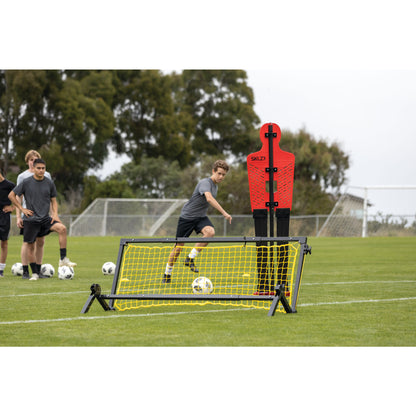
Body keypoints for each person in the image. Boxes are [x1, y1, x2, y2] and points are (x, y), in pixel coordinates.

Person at [163, 160, 232, 283]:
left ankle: (190, 259)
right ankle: (167, 274)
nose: (221, 177)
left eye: (224, 175)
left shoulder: (215, 186)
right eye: (219, 173)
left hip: (200, 217)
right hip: (187, 217)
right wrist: (224, 213)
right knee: (178, 248)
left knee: (210, 232)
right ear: (213, 171)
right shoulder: (205, 183)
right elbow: (209, 199)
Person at [8, 158, 77, 281]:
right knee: (31, 247)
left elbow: (54, 201)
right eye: (38, 168)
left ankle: (63, 259)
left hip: (45, 219)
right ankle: (34, 273)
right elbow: (11, 195)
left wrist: (55, 214)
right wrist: (22, 210)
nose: (41, 170)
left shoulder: (49, 183)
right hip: (31, 220)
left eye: (43, 168)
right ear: (33, 169)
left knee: (62, 229)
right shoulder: (26, 182)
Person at [16, 150, 53, 278]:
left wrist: (52, 213)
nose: (33, 162)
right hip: (28, 215)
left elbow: (50, 196)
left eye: (35, 159)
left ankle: (37, 269)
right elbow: (17, 198)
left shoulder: (46, 175)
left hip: (43, 215)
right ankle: (25, 270)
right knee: (27, 242)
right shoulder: (22, 177)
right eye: (31, 160)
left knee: (41, 241)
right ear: (27, 162)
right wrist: (18, 216)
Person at [0, 172, 15, 277]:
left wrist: (12, 208)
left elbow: (19, 197)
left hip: (4, 216)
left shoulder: (9, 185)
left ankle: (1, 270)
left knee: (4, 243)